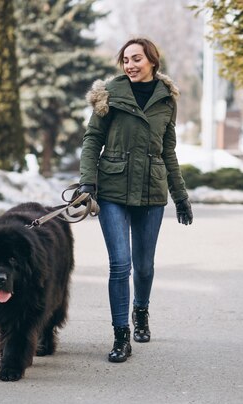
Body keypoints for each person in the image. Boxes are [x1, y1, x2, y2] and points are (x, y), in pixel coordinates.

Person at [77, 38, 193, 363]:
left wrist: (180, 196)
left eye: (136, 59)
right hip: (112, 190)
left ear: (152, 61)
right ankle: (120, 336)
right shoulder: (109, 95)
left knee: (144, 266)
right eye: (125, 59)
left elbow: (168, 150)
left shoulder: (167, 99)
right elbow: (92, 140)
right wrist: (88, 181)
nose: (130, 65)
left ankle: (140, 311)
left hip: (151, 192)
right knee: (120, 264)